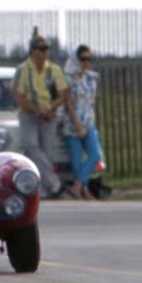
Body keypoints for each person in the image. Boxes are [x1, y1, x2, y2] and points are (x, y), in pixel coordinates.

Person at [12, 35, 69, 198]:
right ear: (33, 51)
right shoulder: (23, 69)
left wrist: (51, 108)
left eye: (46, 49)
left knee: (47, 152)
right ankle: (53, 182)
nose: (45, 52)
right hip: (29, 113)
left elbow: (63, 93)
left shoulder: (54, 70)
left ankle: (42, 190)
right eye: (41, 49)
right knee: (31, 145)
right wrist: (37, 110)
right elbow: (19, 96)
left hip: (49, 114)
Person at [63, 45, 103, 200]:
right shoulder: (69, 79)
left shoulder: (91, 78)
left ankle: (78, 185)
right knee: (77, 160)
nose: (86, 62)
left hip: (88, 121)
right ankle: (83, 191)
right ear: (76, 59)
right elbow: (69, 103)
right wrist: (77, 124)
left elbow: (91, 101)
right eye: (83, 59)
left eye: (89, 59)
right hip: (73, 123)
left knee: (95, 155)